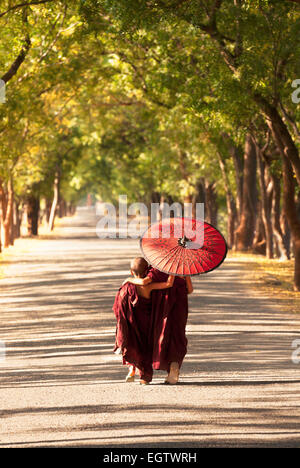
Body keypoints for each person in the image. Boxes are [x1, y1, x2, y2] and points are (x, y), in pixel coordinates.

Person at [124, 264, 193, 384]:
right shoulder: (182, 268)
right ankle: (174, 367)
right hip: (180, 307)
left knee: (161, 335)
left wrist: (129, 279)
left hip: (162, 307)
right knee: (176, 335)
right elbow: (190, 290)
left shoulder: (157, 268)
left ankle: (137, 368)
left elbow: (145, 282)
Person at [113, 257, 175, 384]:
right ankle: (144, 378)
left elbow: (118, 310)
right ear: (147, 270)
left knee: (131, 343)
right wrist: (172, 269)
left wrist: (129, 280)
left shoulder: (126, 286)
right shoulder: (149, 286)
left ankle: (132, 368)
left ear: (131, 272)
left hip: (130, 323)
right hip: (146, 323)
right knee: (144, 347)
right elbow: (169, 284)